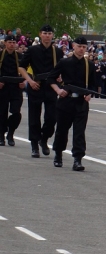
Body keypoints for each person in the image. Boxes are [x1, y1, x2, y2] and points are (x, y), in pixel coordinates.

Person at [51, 36, 99, 170]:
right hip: (66, 101)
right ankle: (58, 155)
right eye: (79, 46)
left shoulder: (89, 65)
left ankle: (77, 159)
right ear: (73, 46)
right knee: (61, 130)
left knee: (79, 132)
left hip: (81, 102)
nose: (81, 49)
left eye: (84, 47)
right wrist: (58, 90)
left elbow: (94, 85)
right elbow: (51, 78)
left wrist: (90, 94)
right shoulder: (64, 62)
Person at [18, 24, 63, 156]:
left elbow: (62, 68)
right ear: (40, 34)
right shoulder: (32, 50)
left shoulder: (57, 52)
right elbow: (21, 67)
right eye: (44, 33)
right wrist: (29, 81)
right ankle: (34, 146)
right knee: (34, 117)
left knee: (52, 118)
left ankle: (43, 139)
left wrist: (60, 77)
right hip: (35, 86)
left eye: (49, 34)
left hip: (51, 87)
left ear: (52, 35)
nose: (47, 36)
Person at [0, 34, 24, 146]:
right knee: (1, 112)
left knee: (16, 113)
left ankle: (11, 132)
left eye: (14, 43)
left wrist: (24, 81)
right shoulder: (1, 55)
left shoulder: (20, 56)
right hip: (3, 88)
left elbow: (26, 71)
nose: (12, 44)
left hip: (16, 88)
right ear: (5, 43)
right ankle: (1, 136)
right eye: (9, 42)